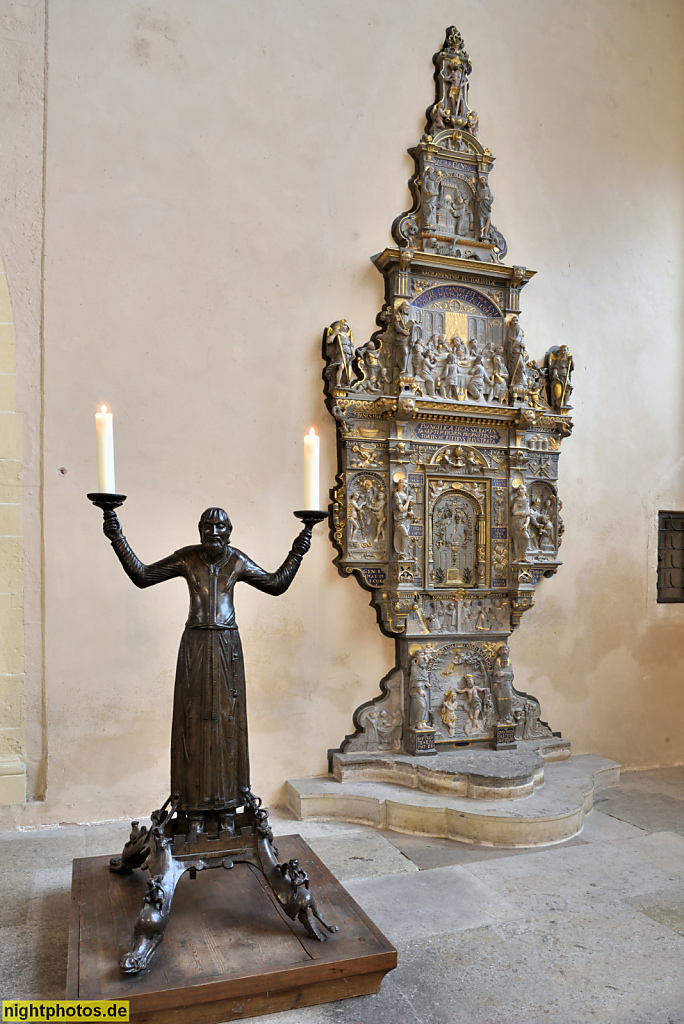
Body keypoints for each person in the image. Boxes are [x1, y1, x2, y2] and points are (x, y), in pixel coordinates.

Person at [103, 506, 310, 835]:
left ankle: (228, 807)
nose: (213, 532)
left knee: (229, 723)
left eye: (220, 527)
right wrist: (117, 537)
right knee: (192, 724)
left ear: (230, 532)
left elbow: (275, 584)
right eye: (207, 526)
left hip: (227, 647)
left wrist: (299, 547)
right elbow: (142, 576)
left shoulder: (236, 560)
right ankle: (192, 809)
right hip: (196, 646)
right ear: (199, 530)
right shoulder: (188, 558)